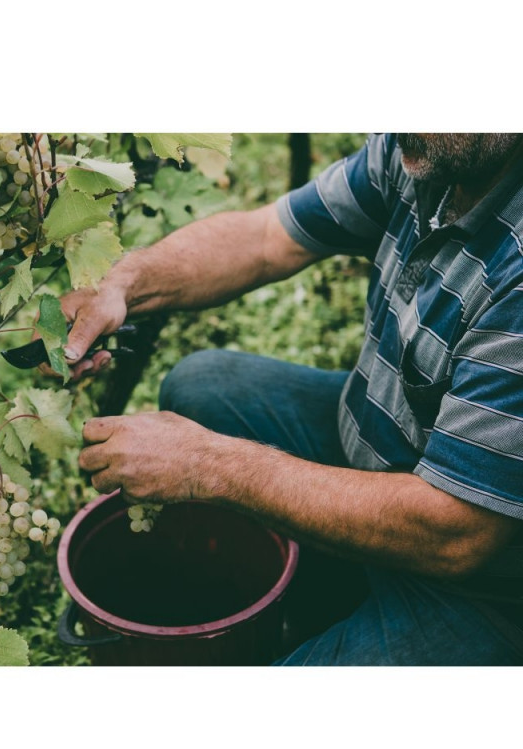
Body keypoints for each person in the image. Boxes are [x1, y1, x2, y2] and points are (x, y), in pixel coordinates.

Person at [53, 133, 523, 666]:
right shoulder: (422, 151)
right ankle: (336, 593)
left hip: (482, 590)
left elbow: (456, 533)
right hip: (383, 444)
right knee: (203, 387)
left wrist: (207, 464)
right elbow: (266, 238)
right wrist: (123, 286)